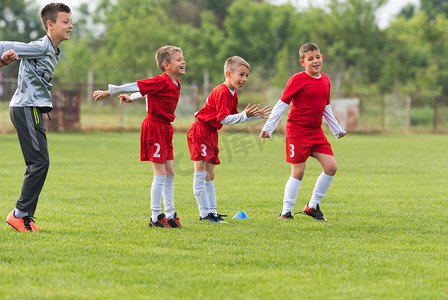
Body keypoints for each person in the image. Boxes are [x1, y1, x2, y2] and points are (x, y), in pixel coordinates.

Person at [93, 45, 186, 229]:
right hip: (154, 127)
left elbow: (146, 91)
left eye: (183, 58)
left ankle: (170, 215)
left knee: (170, 173)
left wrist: (132, 98)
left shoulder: (174, 83)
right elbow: (138, 85)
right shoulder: (162, 80)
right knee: (160, 174)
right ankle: (155, 217)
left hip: (165, 128)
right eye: (178, 59)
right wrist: (109, 91)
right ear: (166, 65)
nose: (183, 62)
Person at [1, 3, 73, 232]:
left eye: (71, 21)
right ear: (50, 25)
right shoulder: (40, 47)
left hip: (32, 108)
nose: (71, 25)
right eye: (65, 21)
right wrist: (5, 58)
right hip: (25, 107)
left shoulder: (52, 49)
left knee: (40, 162)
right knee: (39, 162)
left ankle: (23, 215)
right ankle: (20, 214)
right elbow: (4, 45)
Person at [260, 42, 346, 221]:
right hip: (297, 131)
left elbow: (326, 107)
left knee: (331, 167)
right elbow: (281, 104)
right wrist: (268, 127)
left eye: (317, 57)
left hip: (316, 132)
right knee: (298, 172)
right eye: (310, 59)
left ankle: (312, 206)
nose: (315, 61)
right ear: (302, 62)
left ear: (322, 58)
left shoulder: (325, 80)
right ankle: (286, 212)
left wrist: (336, 129)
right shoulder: (297, 80)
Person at [188, 56, 271, 223]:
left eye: (247, 75)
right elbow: (224, 119)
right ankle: (204, 214)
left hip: (211, 133)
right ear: (228, 73)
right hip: (200, 131)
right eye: (241, 75)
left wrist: (253, 117)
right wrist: (244, 115)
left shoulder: (233, 93)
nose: (244, 79)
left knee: (210, 174)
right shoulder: (221, 91)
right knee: (201, 173)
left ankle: (212, 212)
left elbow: (234, 117)